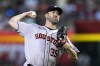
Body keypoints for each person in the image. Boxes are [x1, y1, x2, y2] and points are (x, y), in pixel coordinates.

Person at [8, 6, 79, 66]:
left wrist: (68, 47)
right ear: (46, 15)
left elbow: (74, 58)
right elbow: (11, 22)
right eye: (53, 12)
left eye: (58, 13)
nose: (56, 15)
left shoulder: (62, 36)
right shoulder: (33, 28)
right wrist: (26, 14)